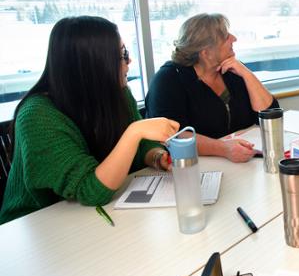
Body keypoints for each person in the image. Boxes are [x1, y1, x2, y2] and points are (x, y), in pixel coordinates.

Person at [0, 16, 179, 224]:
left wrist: (156, 157)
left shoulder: (116, 92)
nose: (129, 61)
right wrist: (135, 132)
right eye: (122, 55)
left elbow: (142, 145)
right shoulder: (37, 117)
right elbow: (91, 191)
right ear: (92, 63)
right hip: (34, 226)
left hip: (99, 211)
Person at [145, 13, 279, 162]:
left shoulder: (231, 69)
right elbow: (174, 135)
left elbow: (270, 115)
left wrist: (247, 74)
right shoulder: (168, 80)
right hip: (196, 166)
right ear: (206, 52)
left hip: (244, 161)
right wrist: (224, 149)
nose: (234, 38)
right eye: (226, 37)